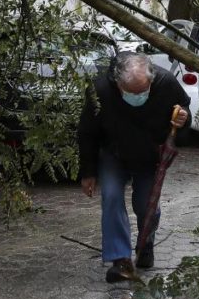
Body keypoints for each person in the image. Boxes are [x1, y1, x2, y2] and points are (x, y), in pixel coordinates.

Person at [78, 52, 190, 283]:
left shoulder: (166, 83)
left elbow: (184, 115)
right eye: (132, 93)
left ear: (151, 79)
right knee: (110, 197)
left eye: (144, 90)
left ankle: (145, 243)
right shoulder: (100, 91)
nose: (139, 96)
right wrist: (88, 172)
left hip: (149, 156)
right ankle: (121, 260)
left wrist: (183, 120)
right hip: (113, 154)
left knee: (145, 204)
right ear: (118, 84)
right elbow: (87, 132)